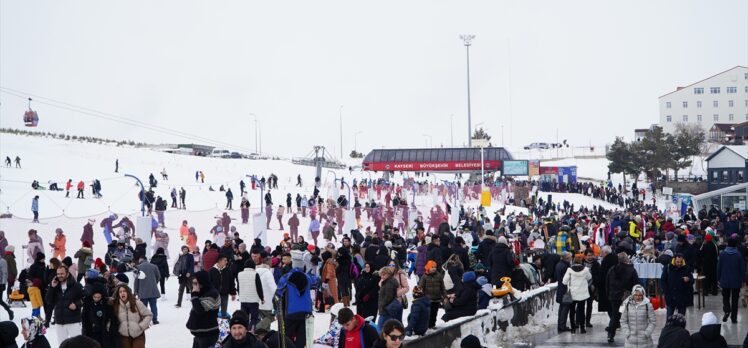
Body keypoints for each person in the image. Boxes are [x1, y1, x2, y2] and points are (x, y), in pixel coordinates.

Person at [605, 252, 639, 343]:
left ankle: (610, 334)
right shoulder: (631, 270)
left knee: (615, 316)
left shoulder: (612, 269)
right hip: (627, 296)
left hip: (614, 296)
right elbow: (637, 283)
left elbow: (607, 283)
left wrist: (608, 294)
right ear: (626, 259)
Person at [275, 266, 313, 348]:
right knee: (302, 338)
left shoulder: (285, 278)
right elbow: (316, 281)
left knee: (285, 338)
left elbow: (278, 293)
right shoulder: (307, 277)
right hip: (306, 312)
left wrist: (276, 309)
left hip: (291, 312)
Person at [44, 265, 83, 341]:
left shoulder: (76, 285)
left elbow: (84, 299)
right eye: (58, 274)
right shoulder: (55, 285)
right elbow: (48, 300)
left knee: (77, 345)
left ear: (67, 273)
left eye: (62, 274)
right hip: (59, 322)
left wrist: (76, 304)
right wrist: (52, 287)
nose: (59, 276)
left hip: (73, 321)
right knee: (62, 345)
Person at [187, 271, 220, 348]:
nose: (194, 286)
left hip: (208, 335)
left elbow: (199, 310)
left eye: (196, 283)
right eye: (194, 283)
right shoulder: (204, 291)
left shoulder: (213, 294)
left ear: (202, 282)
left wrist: (194, 295)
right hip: (200, 334)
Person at [112, 284, 152, 348]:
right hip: (123, 336)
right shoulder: (116, 305)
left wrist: (141, 326)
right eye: (120, 292)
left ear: (128, 292)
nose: (122, 293)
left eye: (124, 291)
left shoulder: (137, 303)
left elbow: (148, 315)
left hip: (138, 335)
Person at [716, 237, 746, 324]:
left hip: (725, 280)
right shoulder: (739, 255)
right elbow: (742, 269)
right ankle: (734, 318)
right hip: (736, 281)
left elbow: (719, 267)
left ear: (727, 244)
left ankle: (727, 310)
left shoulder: (722, 254)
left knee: (725, 297)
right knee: (735, 300)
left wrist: (718, 278)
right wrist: (744, 280)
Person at [562, 254, 592, 334]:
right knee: (581, 311)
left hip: (573, 294)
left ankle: (573, 328)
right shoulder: (586, 269)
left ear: (573, 261)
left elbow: (564, 281)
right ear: (581, 261)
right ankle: (582, 328)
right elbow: (589, 277)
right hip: (582, 294)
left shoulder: (569, 270)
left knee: (572, 311)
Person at [81, 282, 115, 348]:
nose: (96, 299)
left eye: (98, 297)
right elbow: (84, 319)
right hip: (91, 333)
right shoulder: (87, 304)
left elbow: (110, 318)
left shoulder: (106, 304)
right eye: (95, 297)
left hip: (103, 333)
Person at [661, 253, 693, 317]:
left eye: (680, 262)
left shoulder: (686, 268)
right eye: (677, 262)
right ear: (674, 260)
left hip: (682, 298)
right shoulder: (667, 268)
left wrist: (688, 279)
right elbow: (663, 281)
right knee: (669, 318)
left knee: (681, 319)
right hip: (670, 297)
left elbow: (692, 280)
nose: (679, 264)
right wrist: (666, 292)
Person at [237, 259, 264, 330]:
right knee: (254, 318)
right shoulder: (255, 274)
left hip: (243, 300)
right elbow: (259, 288)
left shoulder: (240, 274)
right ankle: (252, 331)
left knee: (244, 318)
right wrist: (262, 298)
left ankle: (244, 331)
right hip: (253, 301)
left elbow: (238, 287)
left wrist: (240, 296)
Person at [133, 255, 161, 324]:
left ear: (141, 259)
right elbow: (158, 276)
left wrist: (136, 291)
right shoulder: (154, 266)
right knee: (153, 305)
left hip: (142, 291)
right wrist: (154, 283)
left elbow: (136, 281)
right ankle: (155, 319)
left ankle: (145, 320)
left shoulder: (138, 267)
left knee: (144, 307)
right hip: (152, 290)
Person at [418, 260, 444, 329]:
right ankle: (427, 325)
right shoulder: (424, 276)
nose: (434, 269)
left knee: (434, 313)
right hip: (428, 298)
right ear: (428, 267)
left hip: (437, 298)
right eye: (432, 267)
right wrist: (421, 296)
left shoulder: (439, 275)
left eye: (435, 267)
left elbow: (442, 287)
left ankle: (432, 324)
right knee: (428, 313)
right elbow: (421, 286)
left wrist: (444, 296)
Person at [0, 254, 14, 320]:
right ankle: (10, 311)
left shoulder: (2, 261)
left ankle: (9, 311)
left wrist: (3, 283)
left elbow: (5, 273)